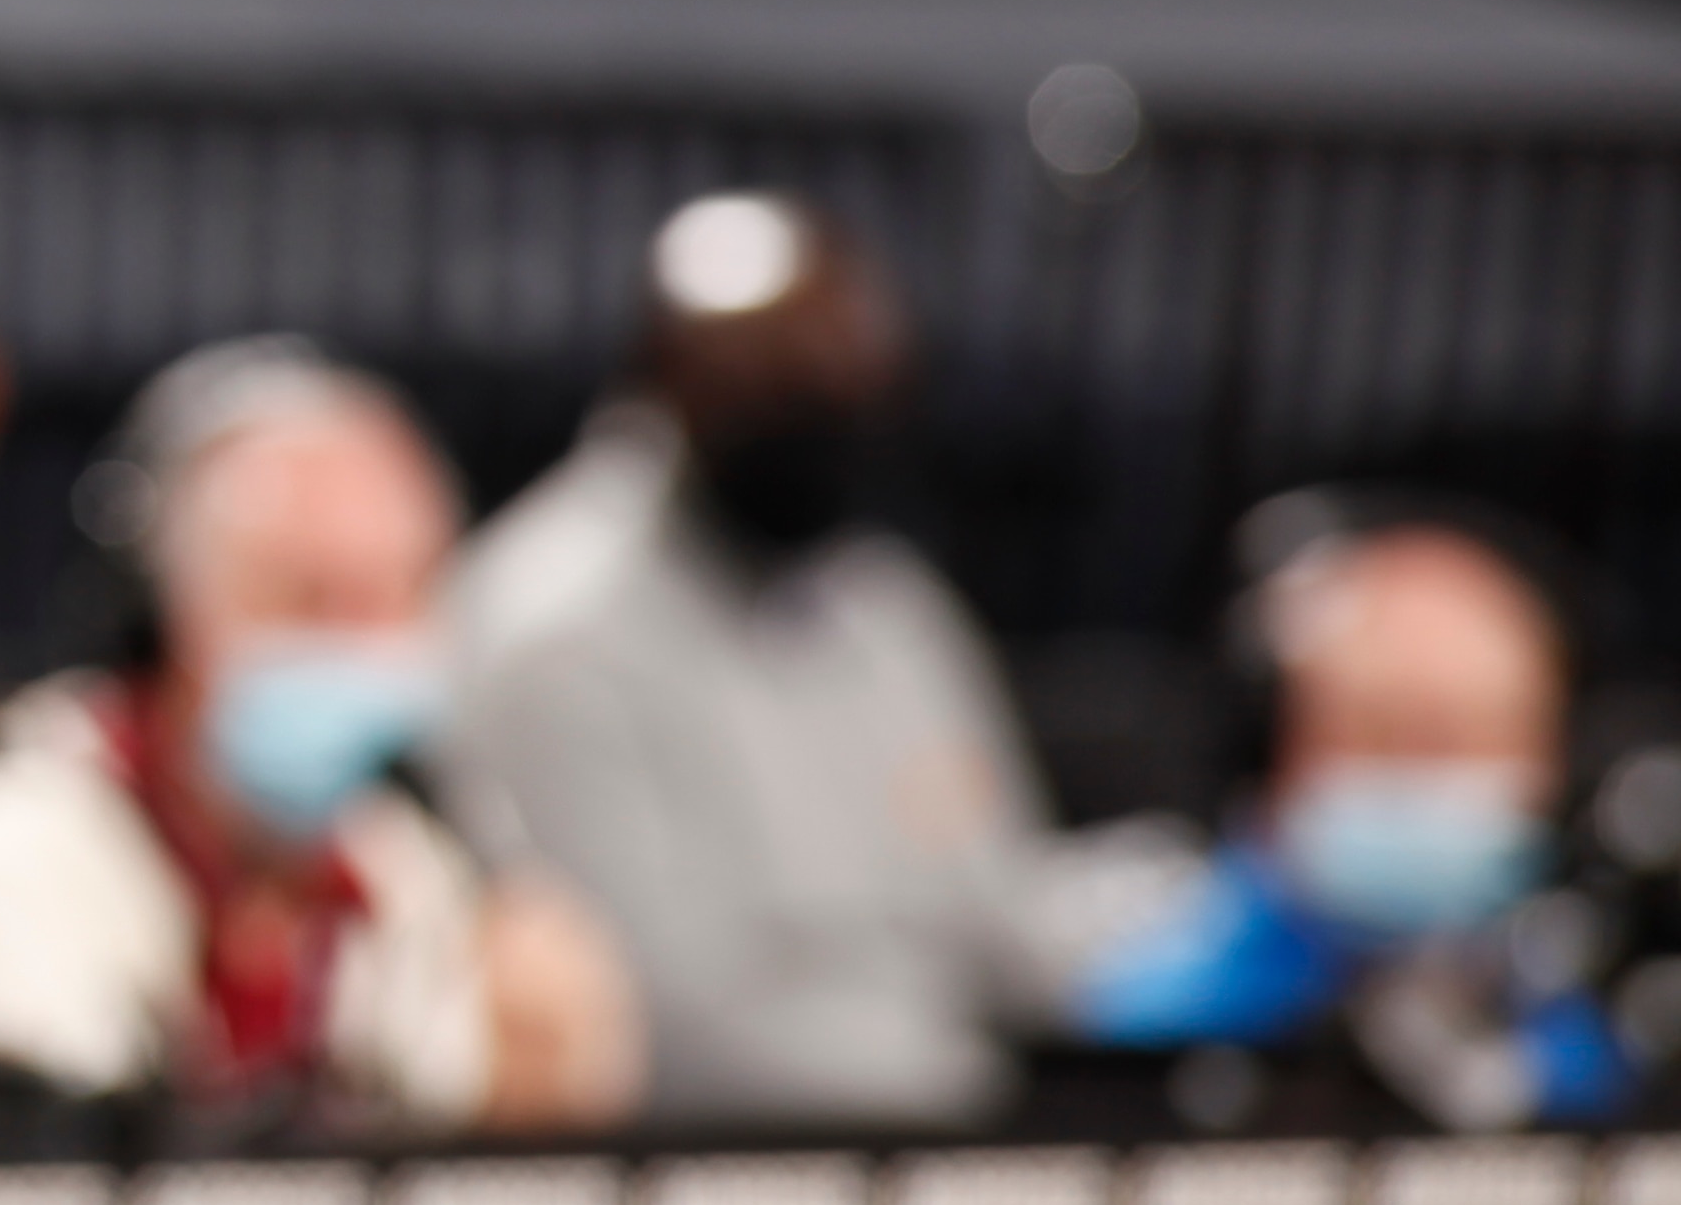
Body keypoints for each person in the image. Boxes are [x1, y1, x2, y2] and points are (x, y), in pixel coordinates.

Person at [0, 341, 641, 1134]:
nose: (365, 648)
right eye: (306, 598)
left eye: (399, 595)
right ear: (162, 619)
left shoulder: (419, 886)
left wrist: (529, 1117)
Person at [444, 191, 1165, 1129]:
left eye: (849, 384)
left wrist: (1157, 933)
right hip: (723, 1178)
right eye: (778, 389)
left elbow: (997, 909)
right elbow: (655, 1023)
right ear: (667, 385)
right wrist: (970, 1079)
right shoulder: (549, 630)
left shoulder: (881, 606)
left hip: (955, 1120)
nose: (823, 422)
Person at [1075, 511, 1630, 1130]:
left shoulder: (1585, 1006)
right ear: (1280, 754)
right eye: (1384, 736)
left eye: (1464, 742)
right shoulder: (1159, 1008)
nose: (1423, 784)